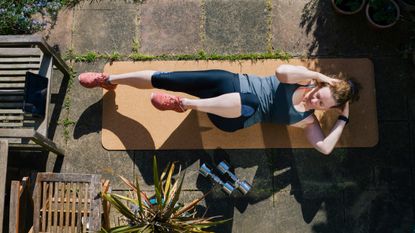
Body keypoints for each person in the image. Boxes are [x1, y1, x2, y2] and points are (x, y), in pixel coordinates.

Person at [78, 64, 360, 155]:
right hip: (227, 83)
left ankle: (184, 104)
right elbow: (280, 70)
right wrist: (321, 77)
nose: (313, 100)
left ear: (328, 110)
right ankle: (108, 81)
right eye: (317, 94)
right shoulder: (305, 78)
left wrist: (343, 119)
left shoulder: (307, 121)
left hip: (234, 116)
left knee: (247, 102)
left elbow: (324, 148)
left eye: (321, 104)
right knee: (166, 78)